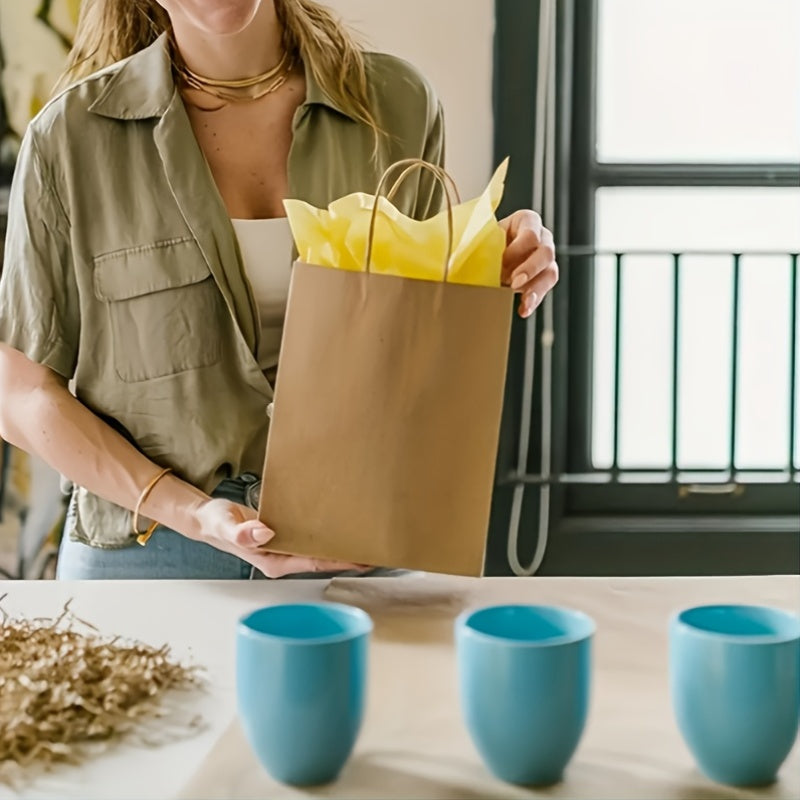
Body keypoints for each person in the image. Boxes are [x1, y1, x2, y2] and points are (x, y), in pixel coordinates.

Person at [0, 0, 559, 580]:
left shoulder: (398, 105)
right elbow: (20, 394)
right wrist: (194, 514)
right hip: (148, 553)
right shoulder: (67, 139)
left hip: (362, 544)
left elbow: (413, 339)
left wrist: (484, 269)